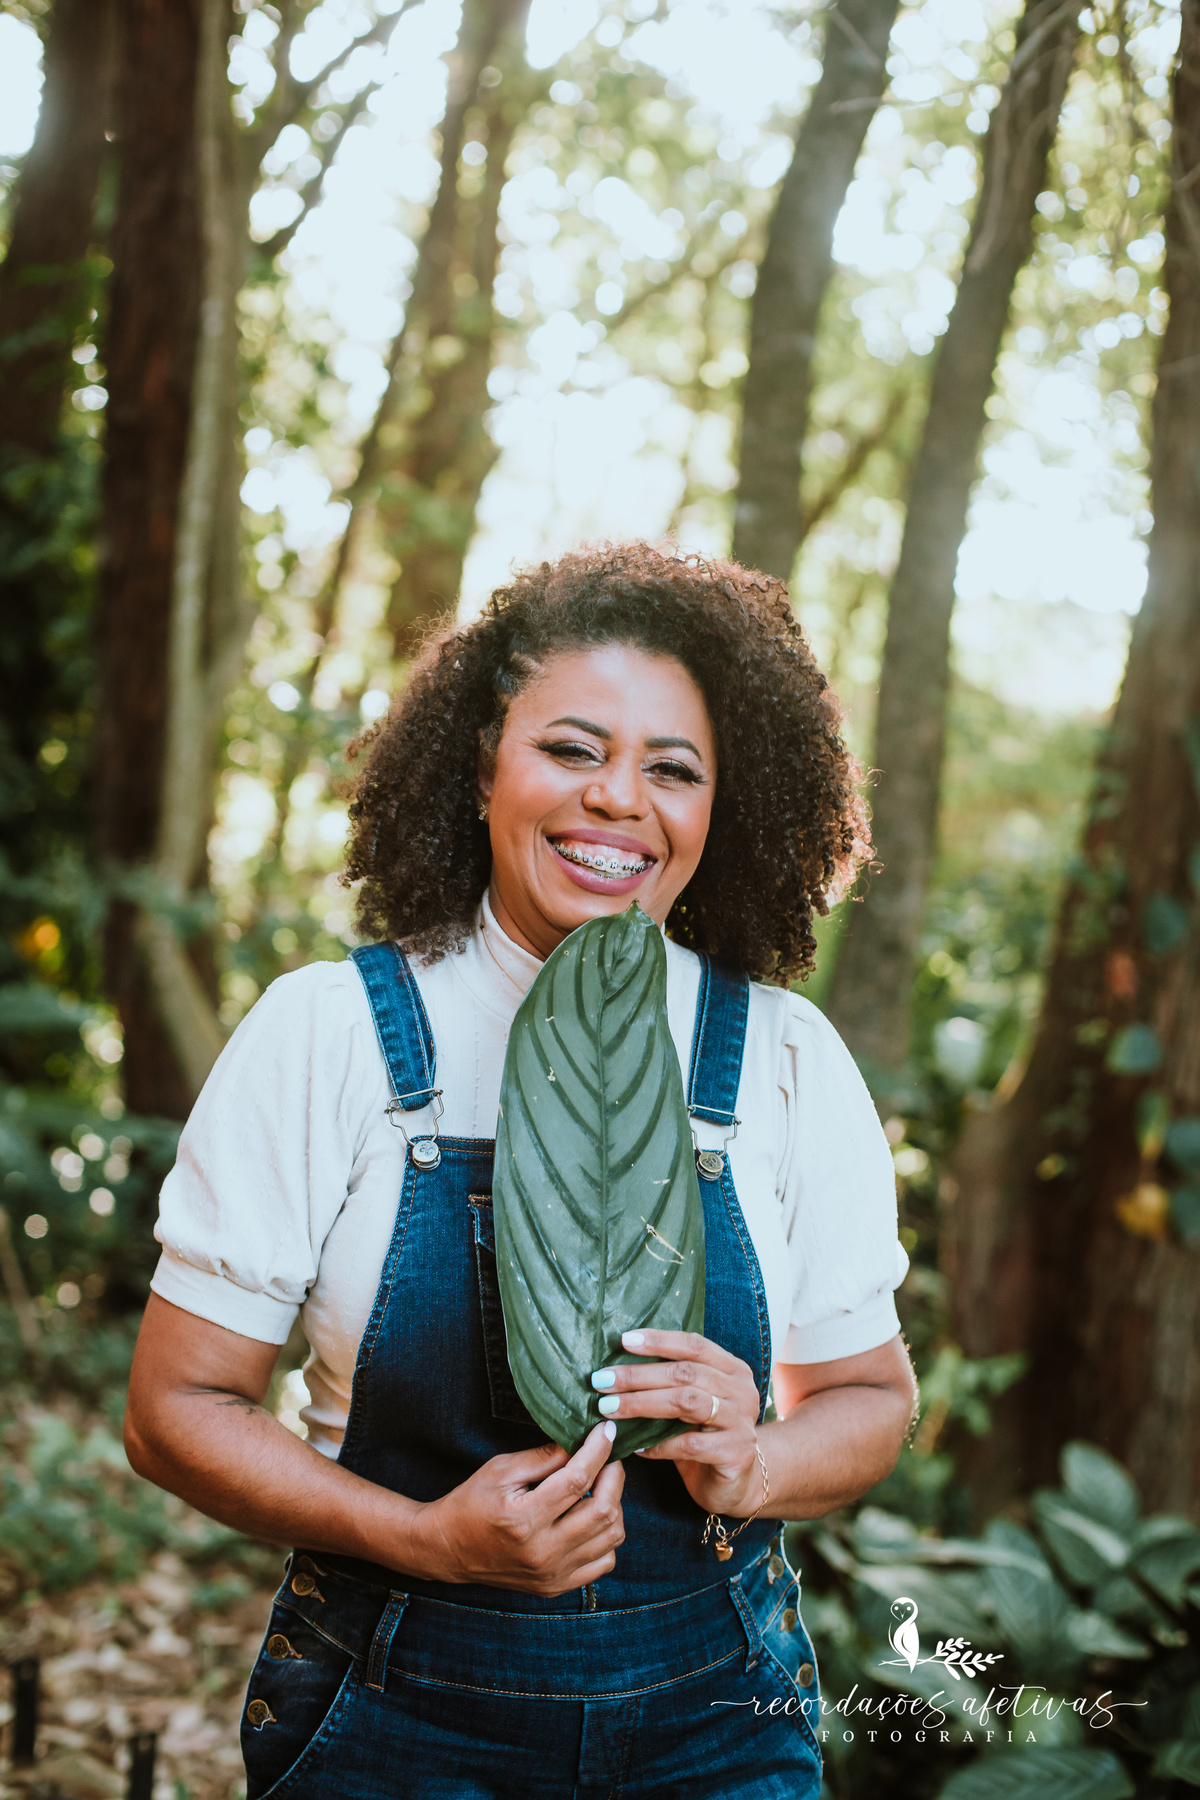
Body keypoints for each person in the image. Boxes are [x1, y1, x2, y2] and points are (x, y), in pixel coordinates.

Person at [125, 543, 916, 1799]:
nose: (620, 798)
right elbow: (175, 1411)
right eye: (572, 749)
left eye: (674, 769)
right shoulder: (333, 1034)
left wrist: (754, 1459)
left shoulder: (780, 1056)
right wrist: (423, 1538)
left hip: (717, 1722)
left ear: (726, 809)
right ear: (483, 762)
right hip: (394, 1711)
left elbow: (871, 1400)